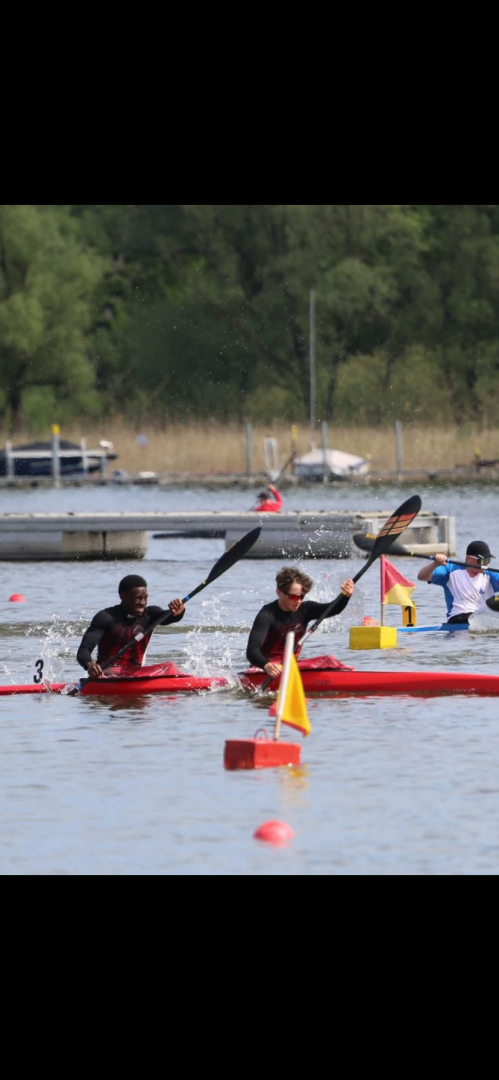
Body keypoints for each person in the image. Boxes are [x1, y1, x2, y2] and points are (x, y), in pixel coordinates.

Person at [247, 566, 355, 678]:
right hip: (266, 671)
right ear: (279, 592)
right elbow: (252, 651)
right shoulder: (266, 615)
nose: (298, 601)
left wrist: (346, 595)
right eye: (293, 597)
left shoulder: (305, 610)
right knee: (327, 660)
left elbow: (333, 609)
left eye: (301, 596)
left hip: (289, 667)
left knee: (328, 660)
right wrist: (266, 665)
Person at [77, 575, 186, 678]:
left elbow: (169, 617)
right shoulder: (105, 617)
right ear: (122, 596)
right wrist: (90, 664)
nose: (143, 603)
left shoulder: (150, 614)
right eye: (138, 598)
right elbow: (84, 650)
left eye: (145, 598)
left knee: (171, 667)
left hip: (137, 674)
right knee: (112, 672)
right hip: (108, 675)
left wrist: (179, 611)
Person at [417, 541, 499, 624]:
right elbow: (421, 576)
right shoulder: (450, 570)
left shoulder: (491, 574)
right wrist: (435, 564)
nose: (486, 563)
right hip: (458, 617)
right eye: (482, 560)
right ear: (468, 558)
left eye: (488, 560)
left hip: (484, 617)